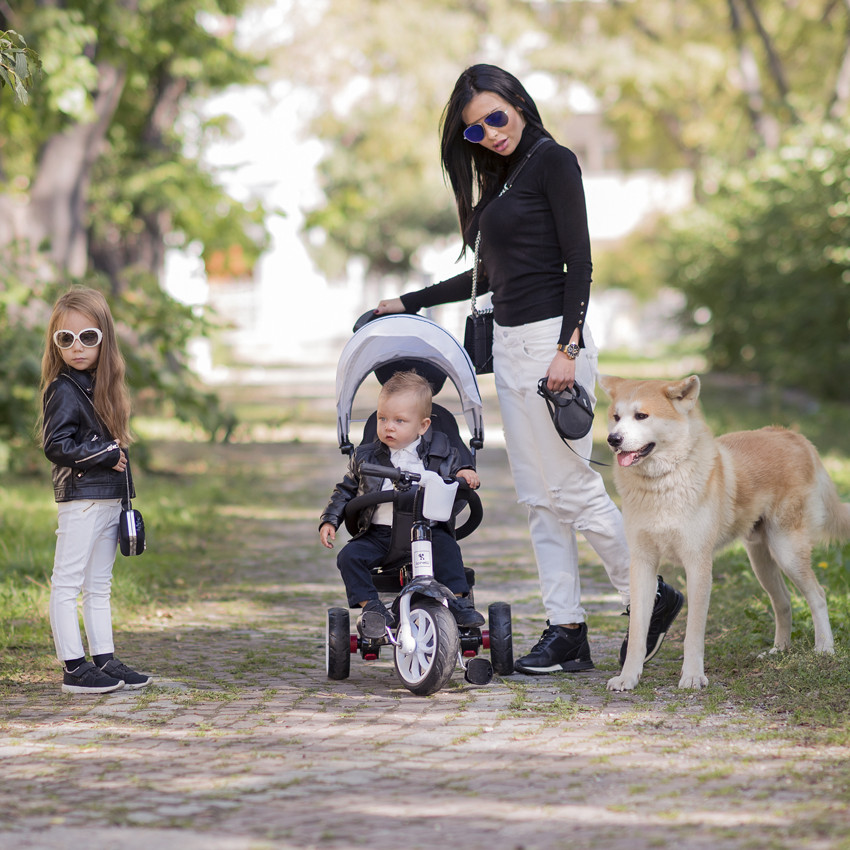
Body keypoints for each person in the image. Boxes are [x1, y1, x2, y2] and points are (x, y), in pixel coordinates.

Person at [373, 64, 683, 674]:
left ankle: (648, 597)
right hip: (510, 345)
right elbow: (489, 276)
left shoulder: (553, 161)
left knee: (572, 487)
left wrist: (567, 349)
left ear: (518, 103)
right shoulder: (505, 180)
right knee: (540, 499)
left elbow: (580, 262)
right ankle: (566, 627)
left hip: (550, 345)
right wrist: (410, 301)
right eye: (474, 130)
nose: (489, 133)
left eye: (496, 117)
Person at [40, 287, 153, 694]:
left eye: (88, 337)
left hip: (108, 499)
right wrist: (105, 452)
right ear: (56, 343)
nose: (77, 347)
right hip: (83, 500)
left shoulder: (100, 387)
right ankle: (73, 666)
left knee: (99, 584)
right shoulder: (64, 389)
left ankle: (104, 658)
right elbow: (57, 444)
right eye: (65, 339)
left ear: (104, 337)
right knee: (68, 582)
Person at [319, 370, 485, 637]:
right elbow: (346, 489)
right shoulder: (366, 456)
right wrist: (330, 519)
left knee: (449, 551)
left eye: (399, 420)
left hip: (427, 530)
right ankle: (372, 607)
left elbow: (457, 468)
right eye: (382, 418)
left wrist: (465, 472)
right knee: (348, 557)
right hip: (380, 535)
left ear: (422, 426)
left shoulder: (441, 450)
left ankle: (457, 602)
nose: (388, 427)